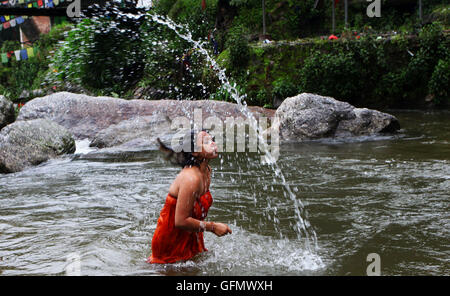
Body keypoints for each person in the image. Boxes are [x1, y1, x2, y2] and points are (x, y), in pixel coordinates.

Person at [147, 130, 232, 264]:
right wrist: (213, 227)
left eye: (212, 140)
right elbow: (180, 221)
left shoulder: (207, 170)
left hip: (191, 235)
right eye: (206, 142)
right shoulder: (190, 179)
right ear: (194, 152)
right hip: (170, 239)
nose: (213, 144)